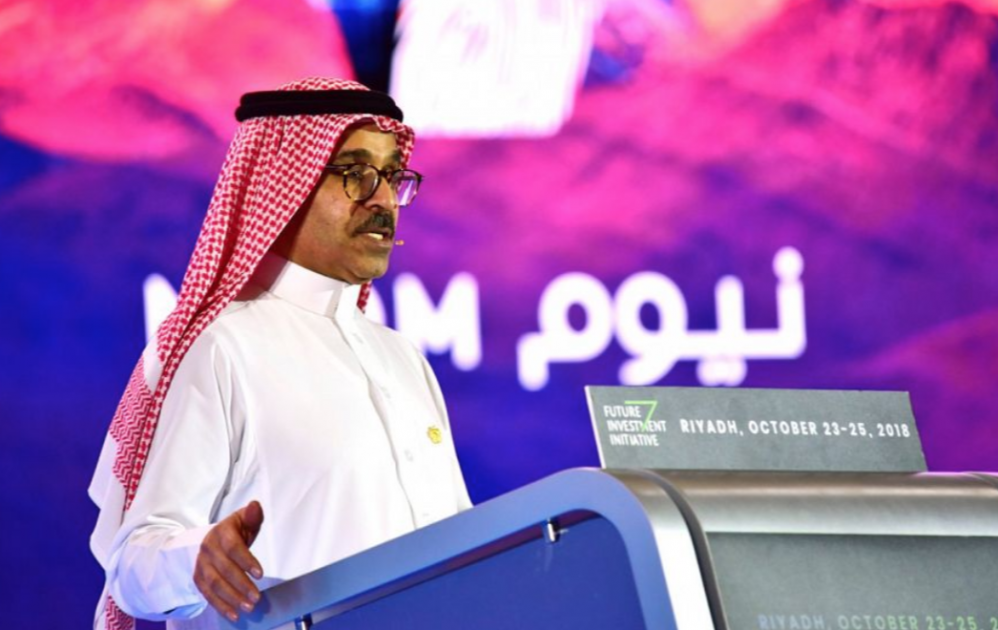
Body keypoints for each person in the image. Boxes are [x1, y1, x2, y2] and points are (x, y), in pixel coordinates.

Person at [88, 77, 472, 630]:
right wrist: (198, 558)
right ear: (283, 186)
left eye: (392, 177)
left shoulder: (403, 359)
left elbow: (461, 548)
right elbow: (133, 563)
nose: (384, 200)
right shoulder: (222, 348)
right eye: (356, 174)